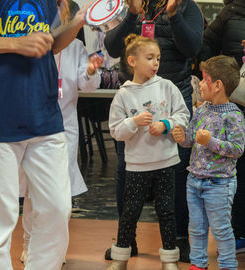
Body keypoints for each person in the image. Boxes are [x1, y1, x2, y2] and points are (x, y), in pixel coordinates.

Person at [0, 0, 92, 269]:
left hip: (44, 114)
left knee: (58, 210)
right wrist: (15, 44)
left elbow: (49, 44)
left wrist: (76, 23)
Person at [104, 0, 203, 262]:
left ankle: (179, 238)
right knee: (126, 171)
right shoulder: (135, 6)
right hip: (134, 98)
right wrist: (131, 15)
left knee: (177, 171)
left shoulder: (185, 7)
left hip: (171, 94)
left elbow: (193, 47)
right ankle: (127, 240)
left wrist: (173, 16)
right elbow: (113, 48)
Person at [19, 2, 103, 264]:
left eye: (65, 17)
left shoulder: (77, 48)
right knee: (33, 192)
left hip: (63, 128)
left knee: (59, 194)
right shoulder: (31, 42)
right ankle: (29, 243)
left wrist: (90, 71)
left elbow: (87, 85)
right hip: (30, 126)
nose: (59, 21)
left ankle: (54, 250)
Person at [172, 55, 245, 270]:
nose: (201, 84)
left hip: (219, 184)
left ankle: (228, 265)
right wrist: (182, 136)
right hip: (194, 181)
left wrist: (210, 141)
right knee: (196, 228)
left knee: (222, 230)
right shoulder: (202, 109)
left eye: (205, 80)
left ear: (218, 86)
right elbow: (191, 139)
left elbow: (237, 149)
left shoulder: (234, 116)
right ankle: (198, 264)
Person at [197, 0, 245, 254]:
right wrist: (225, 78)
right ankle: (238, 233)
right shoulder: (231, 12)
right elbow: (205, 49)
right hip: (237, 101)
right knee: (239, 169)